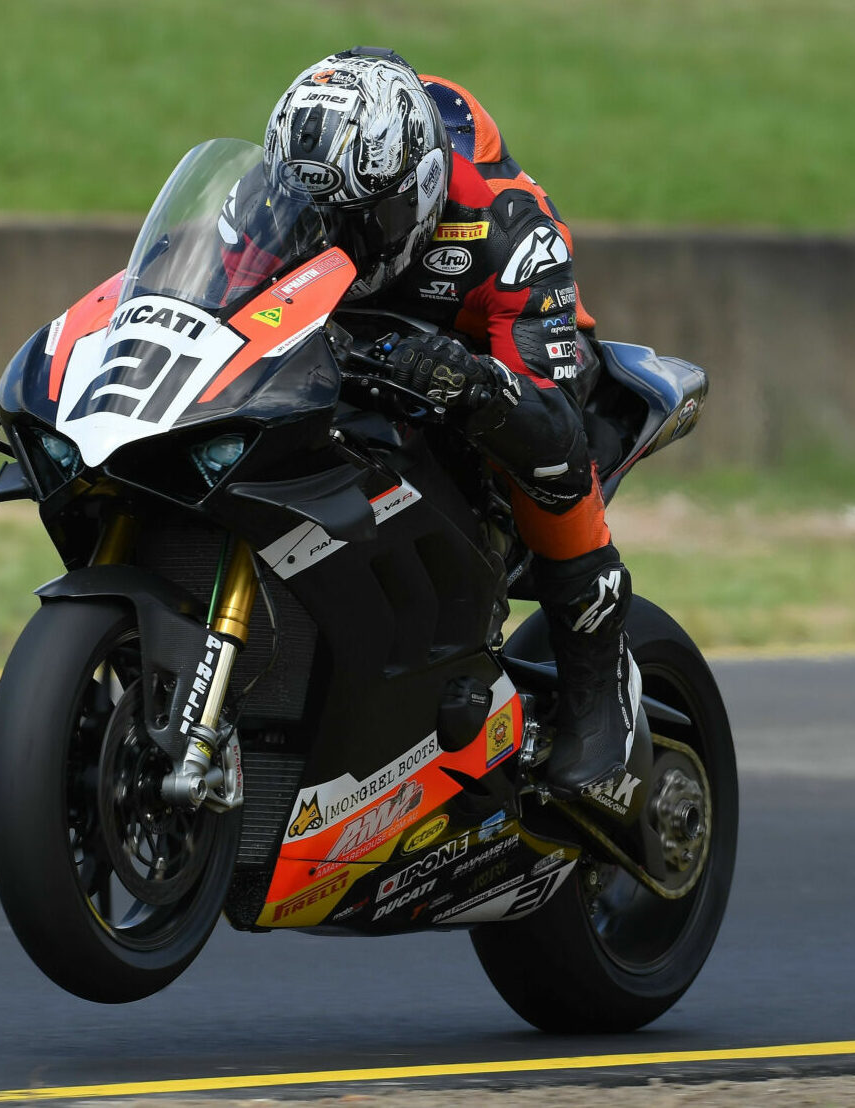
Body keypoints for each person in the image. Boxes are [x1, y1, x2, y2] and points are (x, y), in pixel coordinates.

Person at [258, 47, 639, 811]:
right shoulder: (277, 195)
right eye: (321, 219)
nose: (345, 240)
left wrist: (472, 383)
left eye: (370, 221)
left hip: (488, 356)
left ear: (422, 189)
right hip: (352, 349)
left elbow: (553, 419)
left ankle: (598, 683)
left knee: (548, 461)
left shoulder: (505, 227)